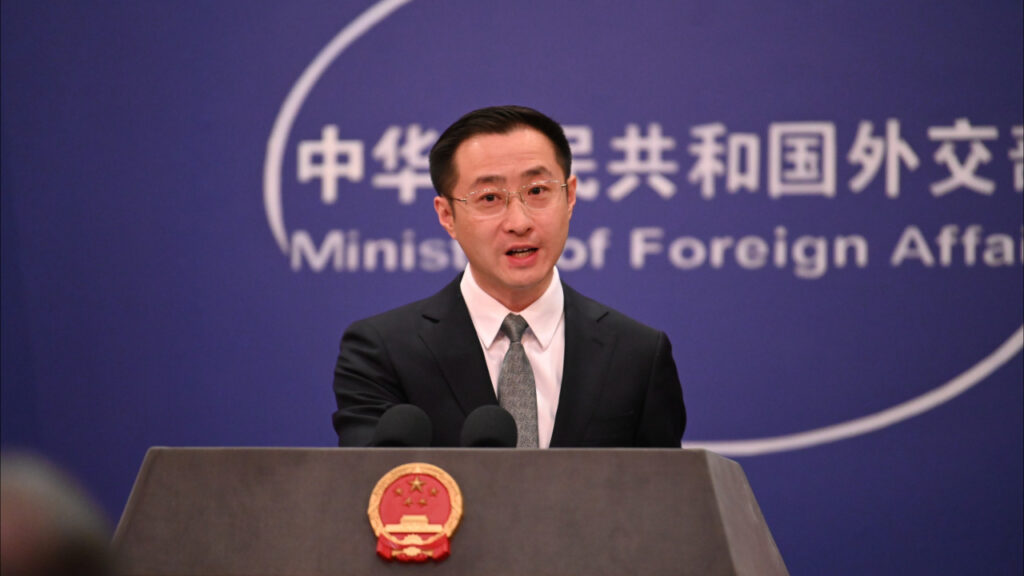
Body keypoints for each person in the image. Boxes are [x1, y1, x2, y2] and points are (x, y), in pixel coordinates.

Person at [332, 105, 685, 448]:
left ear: (570, 196)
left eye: (537, 191)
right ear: (447, 215)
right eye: (489, 197)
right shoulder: (383, 351)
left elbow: (662, 496)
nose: (519, 222)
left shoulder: (638, 354)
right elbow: (372, 491)